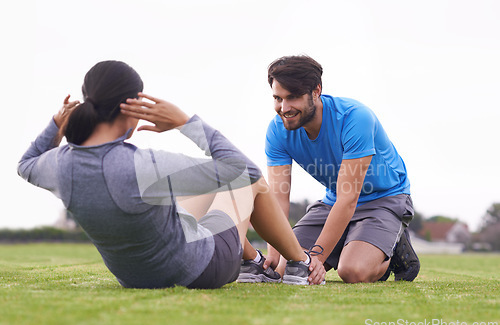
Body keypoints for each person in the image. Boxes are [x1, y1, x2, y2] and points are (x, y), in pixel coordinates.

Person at [17, 60, 326, 289]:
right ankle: (300, 263)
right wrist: (185, 122)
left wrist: (55, 124)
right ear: (134, 106)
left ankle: (254, 262)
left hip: (134, 278)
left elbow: (26, 164)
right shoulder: (142, 165)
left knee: (191, 200)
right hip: (201, 269)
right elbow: (244, 171)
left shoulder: (60, 165)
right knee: (250, 183)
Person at [238, 55, 420, 283]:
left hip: (383, 200)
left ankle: (391, 252)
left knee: (352, 271)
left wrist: (316, 257)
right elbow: (278, 197)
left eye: (292, 97)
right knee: (287, 268)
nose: (284, 108)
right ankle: (350, 242)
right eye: (277, 98)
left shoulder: (355, 118)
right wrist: (274, 254)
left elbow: (349, 198)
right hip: (332, 203)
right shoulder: (277, 130)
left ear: (316, 91)